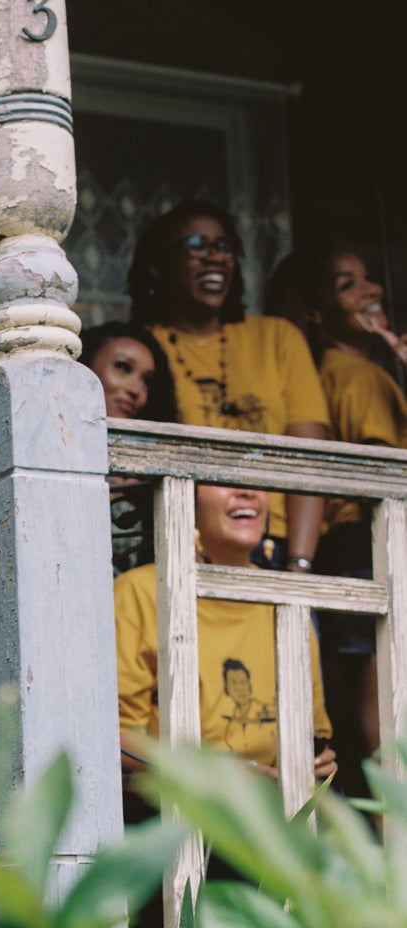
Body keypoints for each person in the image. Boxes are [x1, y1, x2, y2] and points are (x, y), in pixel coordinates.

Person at [128, 200, 329, 569]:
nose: (214, 258)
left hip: (274, 543)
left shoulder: (278, 338)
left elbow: (310, 457)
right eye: (195, 245)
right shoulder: (141, 347)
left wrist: (299, 563)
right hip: (181, 543)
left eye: (223, 247)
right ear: (156, 269)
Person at [265, 246, 407, 765]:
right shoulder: (359, 376)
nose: (372, 291)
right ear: (317, 312)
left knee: (364, 700)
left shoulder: (329, 370)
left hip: (346, 546)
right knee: (385, 698)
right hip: (369, 541)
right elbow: (382, 466)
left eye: (369, 278)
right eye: (348, 285)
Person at [115, 483, 335, 777]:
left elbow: (314, 731)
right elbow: (117, 739)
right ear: (186, 500)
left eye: (256, 483)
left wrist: (317, 761)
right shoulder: (140, 593)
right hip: (177, 806)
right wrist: (220, 774)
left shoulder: (286, 599)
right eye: (224, 479)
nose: (246, 492)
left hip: (273, 808)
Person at [79, 321, 179, 575]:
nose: (136, 390)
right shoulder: (46, 452)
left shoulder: (150, 480)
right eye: (123, 368)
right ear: (85, 366)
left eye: (146, 381)